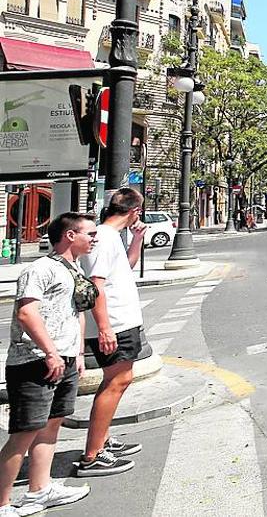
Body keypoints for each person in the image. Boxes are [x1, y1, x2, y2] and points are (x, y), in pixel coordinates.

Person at [0, 213, 96, 514]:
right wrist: (51, 352)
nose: (94, 239)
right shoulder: (40, 269)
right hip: (36, 361)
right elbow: (26, 314)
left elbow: (76, 310)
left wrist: (77, 353)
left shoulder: (73, 268)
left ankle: (39, 491)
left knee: (51, 426)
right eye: (90, 234)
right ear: (70, 235)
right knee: (24, 433)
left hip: (64, 358)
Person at [76, 189, 146, 477]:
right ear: (134, 212)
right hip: (113, 323)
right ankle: (92, 456)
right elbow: (96, 285)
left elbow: (125, 268)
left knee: (117, 380)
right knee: (117, 381)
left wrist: (138, 239)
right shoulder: (103, 238)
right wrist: (104, 328)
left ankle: (102, 439)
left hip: (120, 321)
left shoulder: (110, 237)